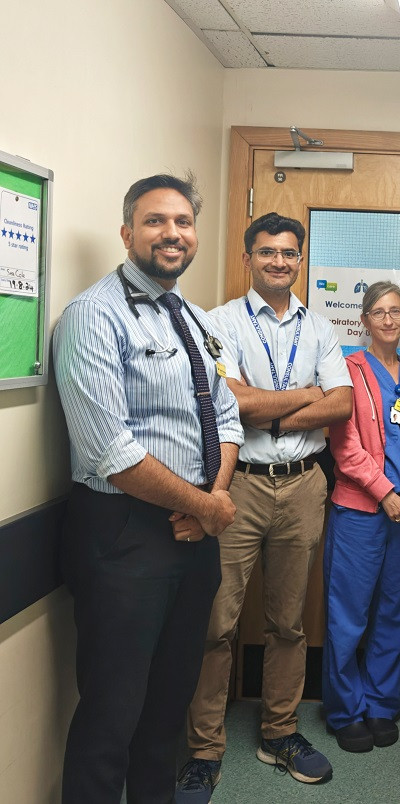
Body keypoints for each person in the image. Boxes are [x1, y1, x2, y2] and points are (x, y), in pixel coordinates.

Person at [52, 173, 243, 804]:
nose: (173, 233)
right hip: (124, 536)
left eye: (183, 222)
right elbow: (109, 449)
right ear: (128, 231)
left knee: (168, 711)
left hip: (194, 534)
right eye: (157, 221)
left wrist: (209, 505)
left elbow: (227, 415)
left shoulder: (191, 317)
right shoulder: (92, 315)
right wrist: (204, 506)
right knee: (113, 713)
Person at [177, 212, 352, 801]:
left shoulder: (323, 329)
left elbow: (342, 406)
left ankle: (279, 733)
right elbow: (231, 401)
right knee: (216, 624)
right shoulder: (217, 322)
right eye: (267, 252)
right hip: (238, 486)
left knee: (288, 623)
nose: (279, 261)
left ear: (300, 260)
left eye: (289, 253)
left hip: (303, 485)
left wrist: (266, 402)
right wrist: (306, 393)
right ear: (249, 257)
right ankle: (204, 750)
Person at [322, 281, 400, 752]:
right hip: (360, 512)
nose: (388, 320)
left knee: (395, 611)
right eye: (378, 312)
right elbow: (344, 446)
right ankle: (345, 709)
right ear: (364, 320)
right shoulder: (346, 371)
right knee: (348, 614)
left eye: (396, 312)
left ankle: (381, 704)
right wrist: (385, 491)